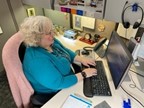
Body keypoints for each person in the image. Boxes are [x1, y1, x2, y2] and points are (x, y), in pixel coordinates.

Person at [20, 16, 97, 95]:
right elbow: (58, 83)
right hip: (55, 91)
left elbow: (65, 50)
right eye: (49, 33)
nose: (53, 34)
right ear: (36, 38)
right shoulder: (36, 60)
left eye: (52, 30)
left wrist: (81, 59)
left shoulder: (50, 42)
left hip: (69, 79)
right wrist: (84, 74)